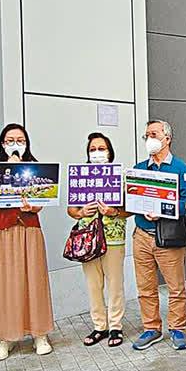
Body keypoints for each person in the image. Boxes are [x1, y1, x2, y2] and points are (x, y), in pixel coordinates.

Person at [0, 124, 54, 361]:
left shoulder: (37, 170)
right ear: (2, 144)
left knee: (34, 280)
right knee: (3, 282)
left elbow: (41, 202)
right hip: (2, 230)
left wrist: (33, 206)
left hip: (29, 229)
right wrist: (10, 166)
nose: (15, 144)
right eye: (10, 140)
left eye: (20, 140)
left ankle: (39, 334)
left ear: (26, 143)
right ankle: (4, 337)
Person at [131, 120, 186, 351]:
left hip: (169, 237)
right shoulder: (139, 168)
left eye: (154, 134)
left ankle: (178, 328)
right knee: (145, 287)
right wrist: (141, 210)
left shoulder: (180, 168)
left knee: (175, 287)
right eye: (147, 135)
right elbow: (132, 199)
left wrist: (163, 210)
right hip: (141, 235)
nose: (149, 139)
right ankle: (151, 328)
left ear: (167, 138)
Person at [67, 133, 130, 348]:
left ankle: (115, 326)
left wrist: (114, 211)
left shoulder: (121, 177)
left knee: (115, 284)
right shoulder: (80, 177)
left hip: (113, 238)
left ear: (110, 152)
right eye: (92, 150)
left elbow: (130, 209)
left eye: (101, 149)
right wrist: (80, 212)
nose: (97, 153)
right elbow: (71, 209)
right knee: (93, 285)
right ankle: (99, 326)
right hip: (87, 239)